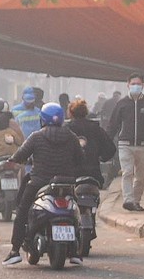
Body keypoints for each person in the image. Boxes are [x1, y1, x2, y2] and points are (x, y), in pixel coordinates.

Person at [5, 102, 88, 267]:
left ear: (42, 119)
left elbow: (21, 154)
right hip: (66, 183)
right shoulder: (71, 137)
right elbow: (80, 159)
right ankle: (77, 253)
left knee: (22, 211)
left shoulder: (37, 136)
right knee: (77, 212)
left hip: (39, 182)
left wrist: (13, 159)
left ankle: (14, 251)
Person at [102, 78, 144, 210]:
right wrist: (106, 142)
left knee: (140, 176)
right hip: (125, 144)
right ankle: (128, 200)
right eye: (133, 84)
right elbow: (113, 125)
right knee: (127, 172)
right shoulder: (122, 104)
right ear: (128, 85)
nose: (136, 86)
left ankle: (136, 201)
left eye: (138, 84)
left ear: (143, 85)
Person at [65, 98, 117, 183]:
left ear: (70, 113)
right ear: (86, 112)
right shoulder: (96, 129)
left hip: (71, 175)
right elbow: (111, 148)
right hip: (93, 174)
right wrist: (101, 158)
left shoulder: (66, 130)